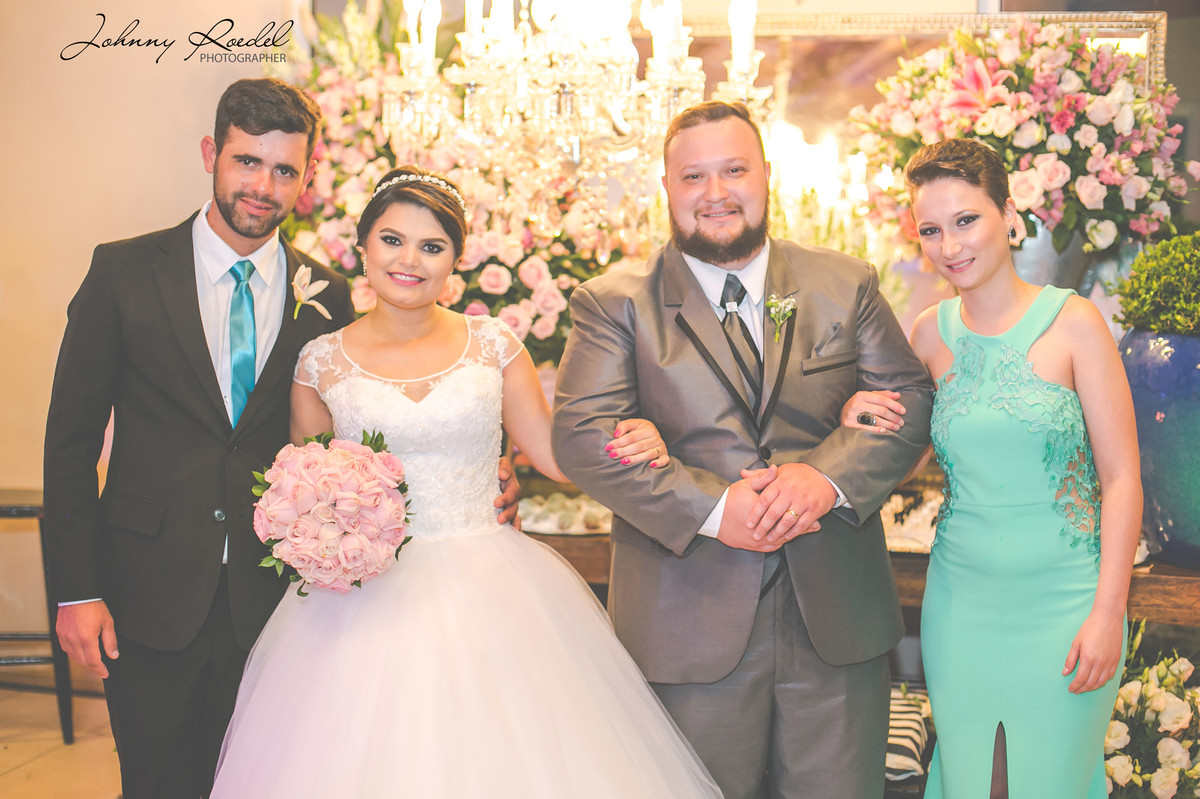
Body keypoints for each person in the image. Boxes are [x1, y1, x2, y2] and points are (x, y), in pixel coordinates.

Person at [40, 78, 520, 799]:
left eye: (284, 170)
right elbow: (70, 441)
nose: (263, 187)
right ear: (212, 154)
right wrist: (76, 591)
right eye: (247, 162)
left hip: (277, 600)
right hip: (148, 591)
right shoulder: (123, 272)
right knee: (155, 783)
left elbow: (364, 433)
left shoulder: (329, 299)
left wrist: (488, 472)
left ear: (308, 176)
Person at [208, 166, 723, 798]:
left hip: (492, 584)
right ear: (362, 247)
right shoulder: (319, 361)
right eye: (392, 240)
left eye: (432, 246)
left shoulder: (492, 343)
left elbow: (558, 454)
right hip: (361, 601)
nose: (409, 261)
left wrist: (635, 440)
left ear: (455, 261)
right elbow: (306, 484)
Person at [552, 100, 935, 799]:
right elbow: (583, 436)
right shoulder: (615, 302)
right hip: (685, 623)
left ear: (766, 175)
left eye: (734, 170)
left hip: (837, 622)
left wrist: (824, 479)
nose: (716, 192)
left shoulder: (844, 283)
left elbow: (907, 401)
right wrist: (714, 507)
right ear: (666, 188)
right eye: (693, 176)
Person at [840, 137, 1140, 798]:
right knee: (976, 781)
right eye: (931, 230)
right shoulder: (928, 333)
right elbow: (904, 460)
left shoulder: (1076, 323)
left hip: (1067, 603)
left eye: (966, 220)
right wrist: (859, 416)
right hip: (961, 604)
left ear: (1007, 213)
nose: (950, 245)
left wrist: (1108, 612)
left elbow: (1122, 478)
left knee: (1053, 782)